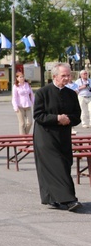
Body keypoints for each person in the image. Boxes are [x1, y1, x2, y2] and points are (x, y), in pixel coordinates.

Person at [33, 63, 82, 211]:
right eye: (64, 76)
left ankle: (52, 198)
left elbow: (77, 115)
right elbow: (38, 115)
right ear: (54, 76)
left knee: (65, 164)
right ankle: (69, 200)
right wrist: (56, 118)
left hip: (64, 136)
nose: (67, 78)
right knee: (56, 166)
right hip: (46, 136)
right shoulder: (43, 92)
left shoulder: (71, 94)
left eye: (69, 75)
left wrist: (68, 119)